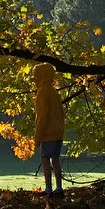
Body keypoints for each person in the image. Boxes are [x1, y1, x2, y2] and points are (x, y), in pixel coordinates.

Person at [32, 61, 65, 198]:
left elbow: (42, 116)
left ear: (41, 77)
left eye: (35, 76)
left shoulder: (42, 93)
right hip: (58, 132)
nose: (34, 79)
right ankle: (59, 187)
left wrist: (37, 137)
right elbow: (61, 113)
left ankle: (48, 189)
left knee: (45, 160)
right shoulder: (54, 93)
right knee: (55, 160)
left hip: (48, 133)